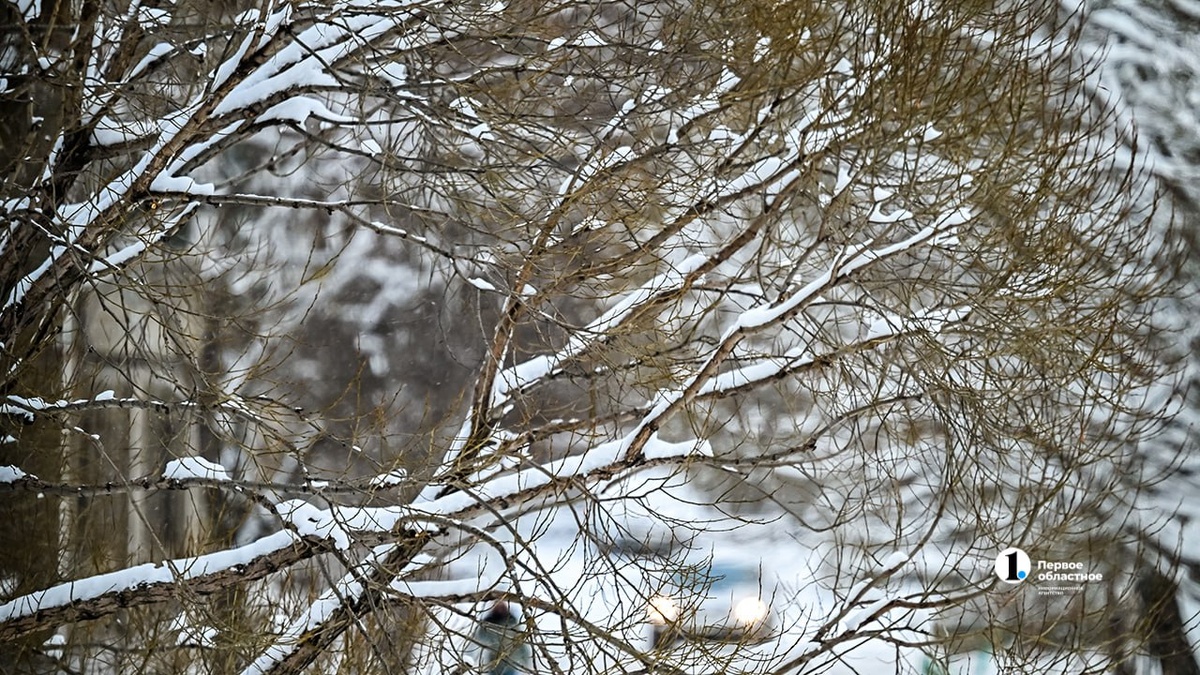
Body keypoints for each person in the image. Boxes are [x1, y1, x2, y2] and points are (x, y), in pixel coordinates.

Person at [474, 600, 532, 675]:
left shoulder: (512, 622)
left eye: (502, 605)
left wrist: (526, 659)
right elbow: (480, 637)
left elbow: (520, 642)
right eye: (497, 606)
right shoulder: (489, 623)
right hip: (494, 664)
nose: (500, 608)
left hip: (510, 663)